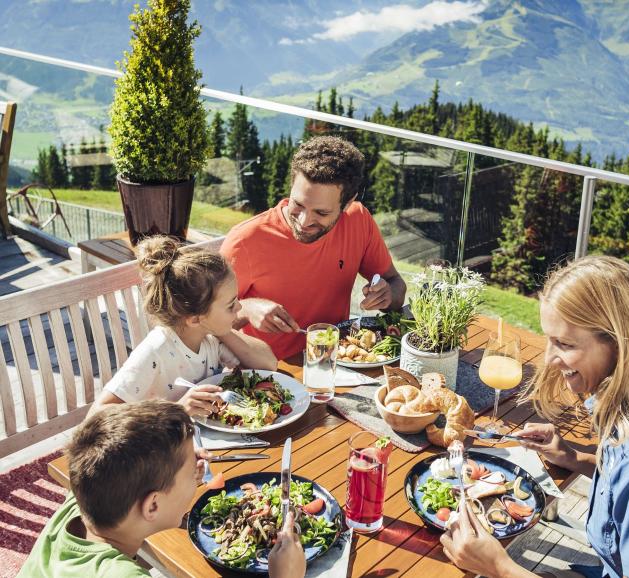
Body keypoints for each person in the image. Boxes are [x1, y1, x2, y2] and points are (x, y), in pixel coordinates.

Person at [441, 256, 629, 578]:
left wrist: (500, 568)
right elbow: (623, 481)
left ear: (619, 345)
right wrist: (573, 457)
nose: (549, 358)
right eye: (549, 339)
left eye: (564, 344)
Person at [19, 401, 305, 578]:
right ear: (152, 505)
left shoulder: (86, 495)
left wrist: (177, 466)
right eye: (191, 471)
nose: (199, 470)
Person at [221, 135, 407, 360]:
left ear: (348, 203)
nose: (304, 221)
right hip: (270, 370)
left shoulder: (359, 220)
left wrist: (387, 295)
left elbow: (397, 285)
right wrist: (247, 309)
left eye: (321, 212)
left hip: (337, 362)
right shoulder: (245, 241)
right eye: (298, 204)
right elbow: (202, 321)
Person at [89, 236, 277, 418]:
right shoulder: (156, 350)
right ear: (194, 319)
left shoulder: (208, 336)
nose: (239, 307)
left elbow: (268, 364)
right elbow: (96, 414)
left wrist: (222, 331)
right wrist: (177, 410)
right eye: (230, 305)